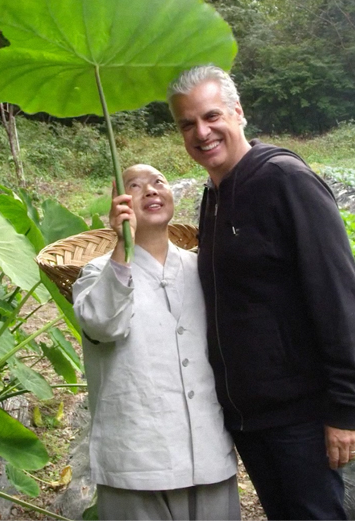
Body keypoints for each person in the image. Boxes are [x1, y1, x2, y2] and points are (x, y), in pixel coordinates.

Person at [167, 66, 355, 519]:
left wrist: (346, 408)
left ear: (238, 112)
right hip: (249, 413)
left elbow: (338, 295)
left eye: (211, 116)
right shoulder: (215, 195)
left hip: (299, 413)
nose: (202, 132)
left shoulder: (285, 180)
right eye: (187, 124)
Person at [72, 164, 240, 520]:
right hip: (137, 461)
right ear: (117, 203)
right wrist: (123, 245)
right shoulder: (98, 273)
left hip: (208, 452)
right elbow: (102, 324)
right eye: (134, 186)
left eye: (159, 182)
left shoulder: (202, 267)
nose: (150, 190)